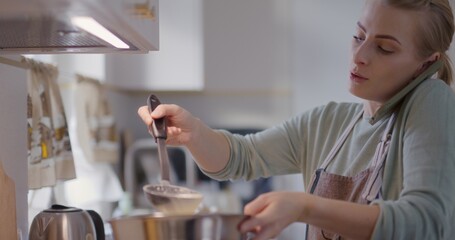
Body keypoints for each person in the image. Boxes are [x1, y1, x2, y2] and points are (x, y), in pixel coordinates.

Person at [138, 0, 455, 239]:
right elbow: (243, 157)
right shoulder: (328, 122)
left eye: (385, 48)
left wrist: (305, 207)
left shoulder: (431, 100)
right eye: (359, 36)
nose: (361, 55)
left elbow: (426, 221)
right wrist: (193, 132)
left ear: (426, 64)